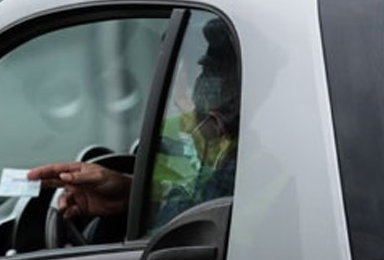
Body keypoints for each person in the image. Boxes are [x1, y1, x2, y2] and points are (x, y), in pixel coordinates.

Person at [28, 17, 240, 235]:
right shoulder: (169, 133)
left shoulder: (249, 167)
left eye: (194, 67)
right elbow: (190, 201)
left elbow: (198, 233)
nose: (174, 83)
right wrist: (131, 195)